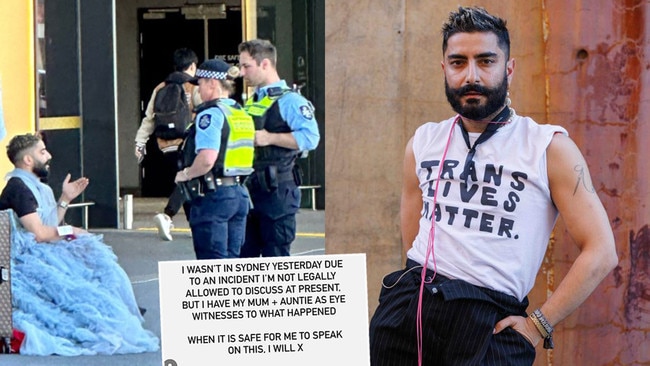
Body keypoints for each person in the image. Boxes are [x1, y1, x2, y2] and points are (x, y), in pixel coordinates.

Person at [368, 6, 618, 365]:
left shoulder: (548, 147)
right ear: (444, 69)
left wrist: (538, 326)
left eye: (486, 61)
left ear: (509, 68)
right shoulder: (423, 142)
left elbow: (601, 250)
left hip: (490, 326)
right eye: (458, 63)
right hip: (410, 310)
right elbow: (411, 238)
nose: (471, 75)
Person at [0, 133, 159, 355]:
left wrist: (65, 199)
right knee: (83, 276)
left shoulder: (37, 187)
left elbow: (49, 223)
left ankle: (121, 310)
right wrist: (70, 231)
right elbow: (38, 233)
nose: (49, 156)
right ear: (28, 160)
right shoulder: (18, 188)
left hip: (40, 250)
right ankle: (110, 315)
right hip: (23, 259)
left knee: (96, 261)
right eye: (42, 151)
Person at [237, 39, 320, 258]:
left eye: (247, 66)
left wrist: (269, 138)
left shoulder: (291, 101)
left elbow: (310, 138)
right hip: (252, 189)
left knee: (276, 258)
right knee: (245, 258)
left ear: (265, 64)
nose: (242, 72)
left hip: (278, 191)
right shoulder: (253, 101)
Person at [174, 59, 255, 259]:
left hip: (214, 197)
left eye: (200, 83)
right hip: (239, 195)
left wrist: (186, 174)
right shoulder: (240, 113)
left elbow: (207, 159)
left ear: (212, 83)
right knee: (232, 265)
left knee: (212, 267)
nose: (198, 90)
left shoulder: (210, 115)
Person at [134, 48, 202, 241]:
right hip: (187, 143)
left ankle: (194, 226)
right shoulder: (194, 86)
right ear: (192, 66)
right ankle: (167, 215)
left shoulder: (160, 87)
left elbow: (149, 119)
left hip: (165, 145)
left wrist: (140, 142)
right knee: (188, 179)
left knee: (187, 181)